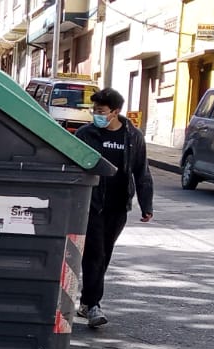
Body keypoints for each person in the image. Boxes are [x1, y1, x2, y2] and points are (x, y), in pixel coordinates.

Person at [72, 88, 153, 328]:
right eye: (94, 110)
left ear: (115, 112)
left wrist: (146, 204)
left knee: (104, 254)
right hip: (92, 204)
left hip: (118, 206)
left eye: (101, 111)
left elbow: (142, 171)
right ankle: (94, 305)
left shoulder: (133, 136)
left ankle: (87, 302)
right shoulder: (86, 134)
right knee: (95, 253)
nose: (95, 114)